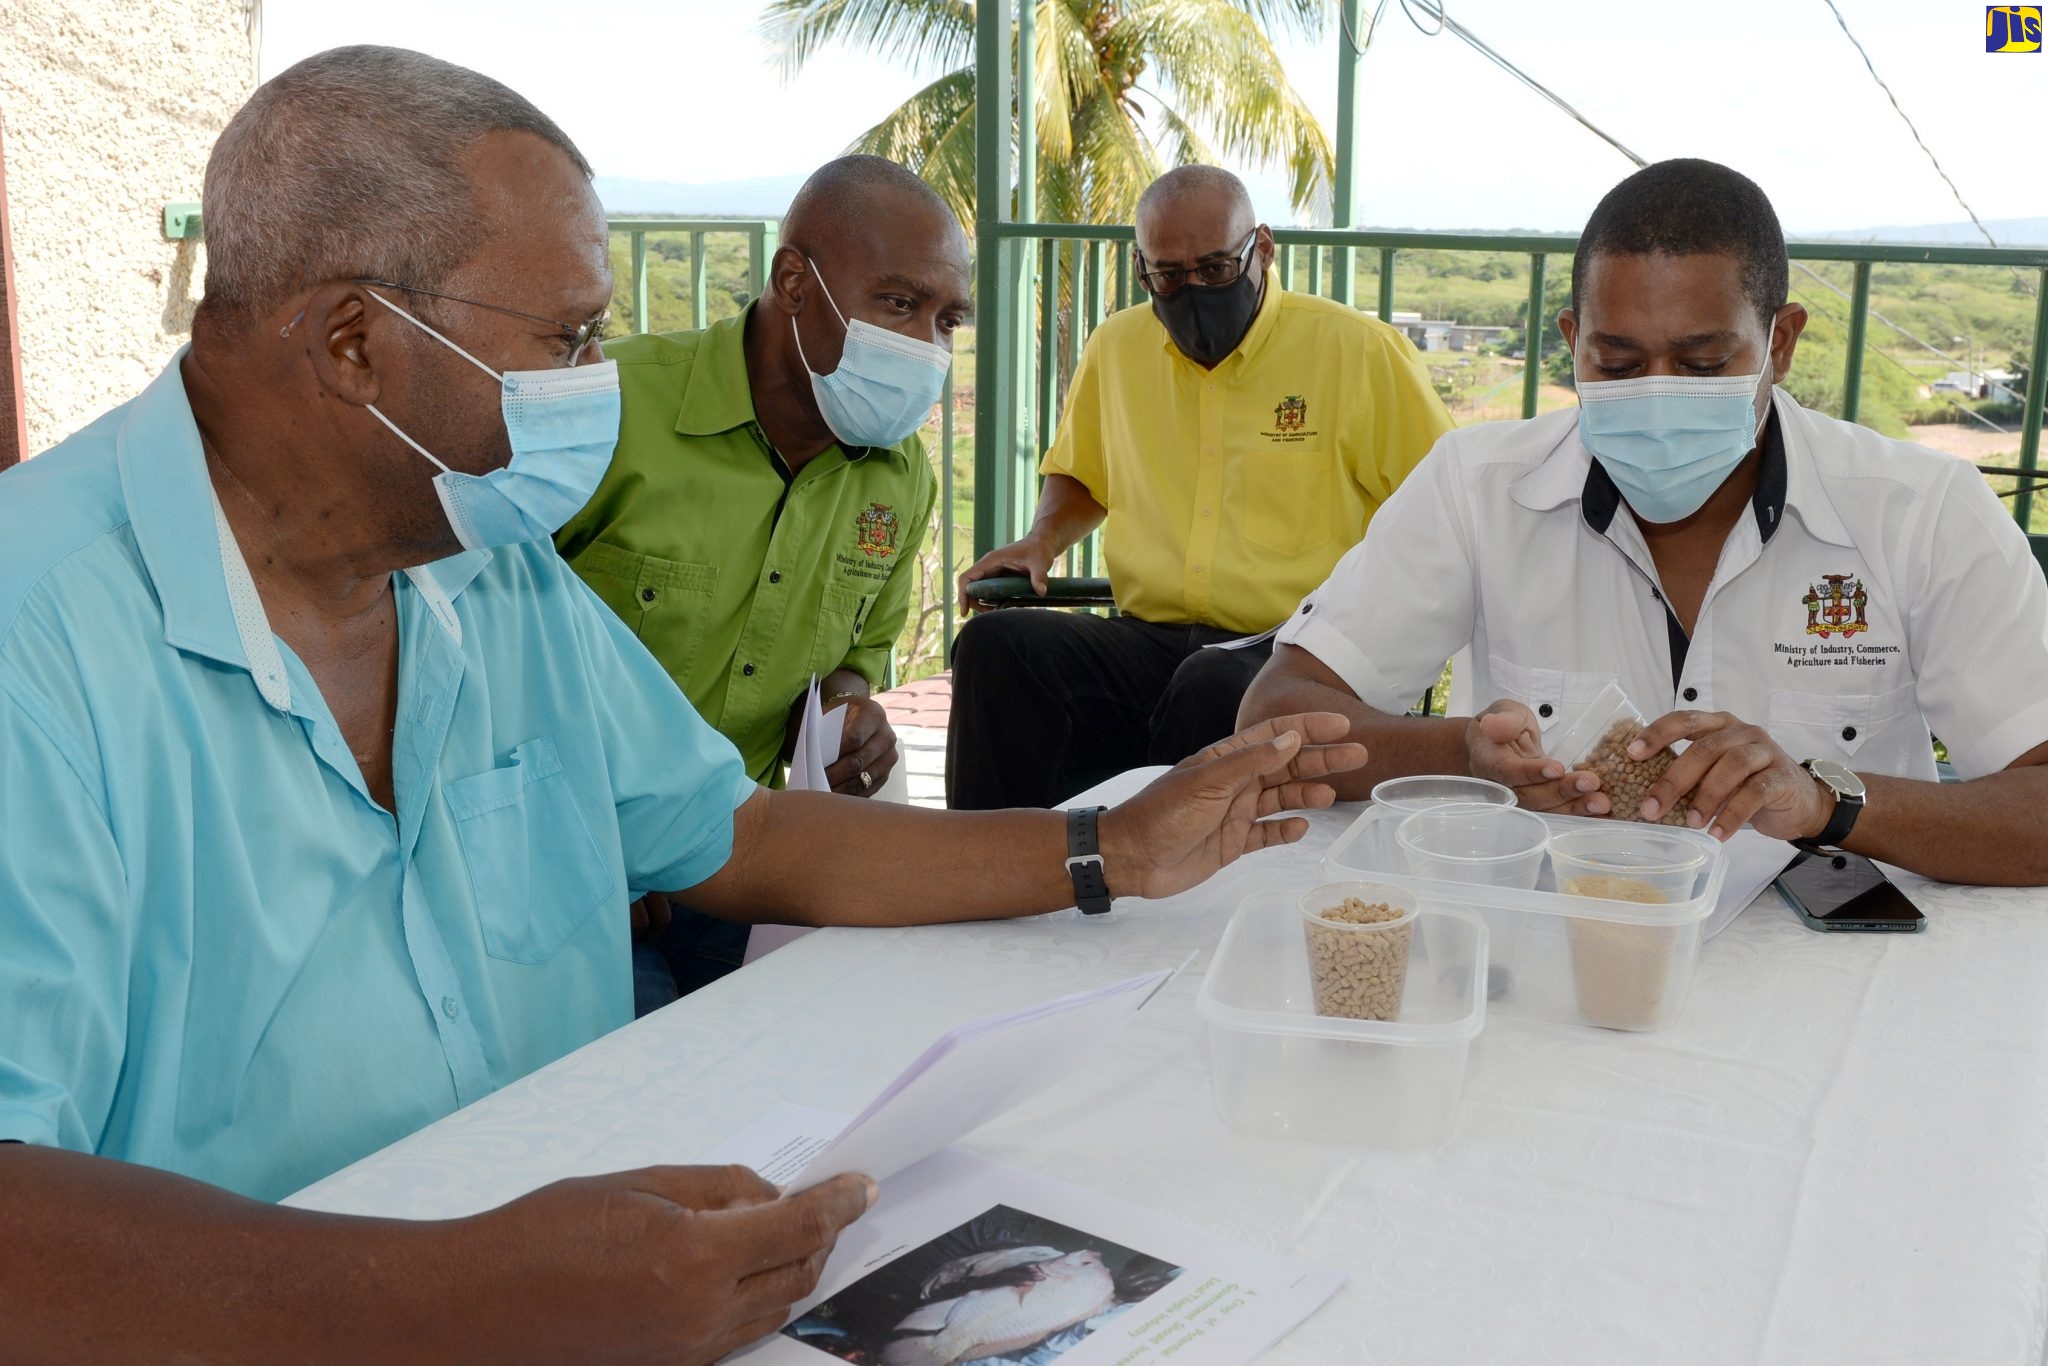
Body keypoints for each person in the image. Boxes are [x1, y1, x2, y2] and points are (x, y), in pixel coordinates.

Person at [0, 48, 1366, 1361]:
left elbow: (737, 832)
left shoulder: (488, 569)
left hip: (614, 1282)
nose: (601, 382)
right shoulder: (37, 635)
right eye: (570, 338)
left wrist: (1107, 849)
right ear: (356, 340)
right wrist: (474, 1296)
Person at [1241, 158, 2048, 886]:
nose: (1657, 400)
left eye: (1703, 365)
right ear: (1572, 342)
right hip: (1558, 951)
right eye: (1617, 366)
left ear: (1783, 341)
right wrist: (1462, 754)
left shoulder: (1923, 511)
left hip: (1829, 983)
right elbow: (1277, 712)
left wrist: (1825, 804)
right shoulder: (1477, 488)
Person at [555, 156, 966, 1003]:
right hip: (573, 861)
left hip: (746, 852)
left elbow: (856, 657)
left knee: (852, 1031)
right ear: (794, 282)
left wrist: (849, 720)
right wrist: (599, 866)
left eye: (947, 320)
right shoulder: (610, 409)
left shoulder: (901, 478)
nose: (924, 346)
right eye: (898, 303)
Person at [947, 165, 1454, 811]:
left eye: (1215, 269)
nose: (1192, 291)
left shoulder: (1358, 352)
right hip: (1151, 634)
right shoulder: (1118, 348)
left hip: (1299, 648)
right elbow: (1082, 473)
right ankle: (993, 875)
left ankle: (1164, 884)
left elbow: (1439, 512)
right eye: (1168, 275)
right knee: (1000, 650)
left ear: (1261, 250)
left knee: (1215, 684)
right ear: (1141, 268)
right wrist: (1041, 540)